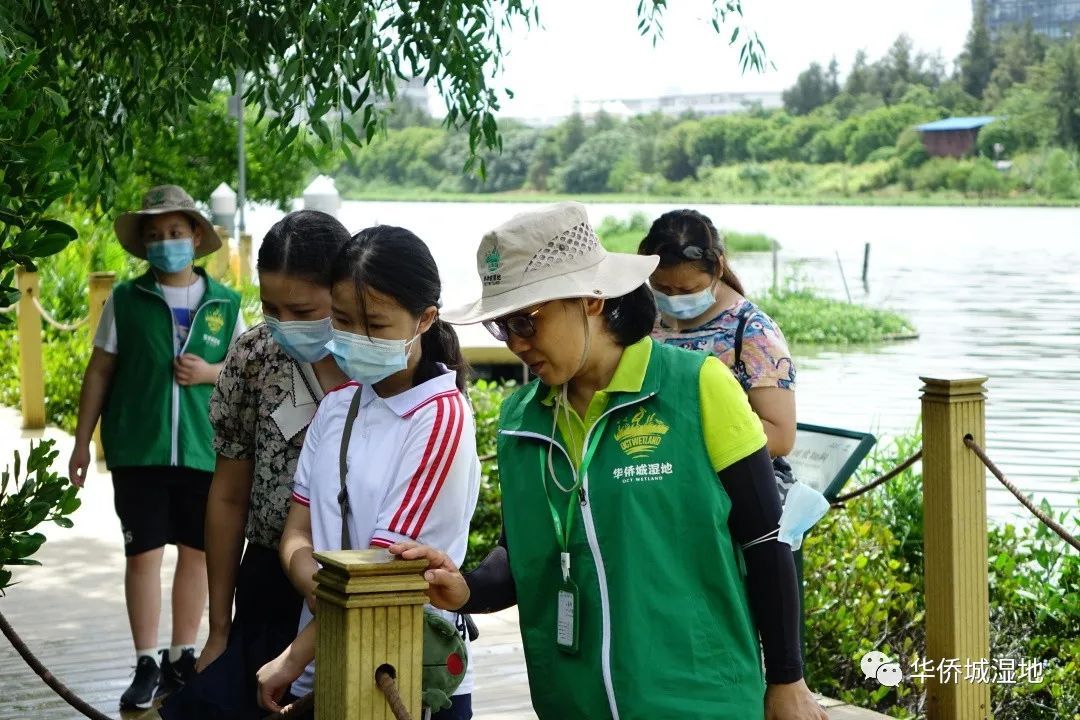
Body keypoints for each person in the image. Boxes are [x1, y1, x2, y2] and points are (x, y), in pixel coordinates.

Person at [391, 202, 827, 720]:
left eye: (526, 320)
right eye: (501, 328)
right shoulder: (519, 420)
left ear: (591, 300)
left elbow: (765, 539)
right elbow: (522, 554)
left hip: (701, 699)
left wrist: (786, 678)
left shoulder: (698, 386)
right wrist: (466, 589)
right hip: (572, 701)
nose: (516, 344)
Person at [255, 226, 480, 719]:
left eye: (375, 325)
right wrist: (318, 587)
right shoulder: (338, 405)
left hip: (405, 677)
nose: (356, 338)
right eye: (343, 320)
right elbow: (296, 530)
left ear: (425, 319)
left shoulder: (440, 416)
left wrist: (291, 658)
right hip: (326, 666)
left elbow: (385, 570)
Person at [159, 210, 352, 719]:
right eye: (271, 307)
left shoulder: (379, 359)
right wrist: (219, 629)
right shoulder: (255, 358)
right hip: (272, 578)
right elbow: (227, 496)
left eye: (303, 309)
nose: (284, 325)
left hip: (360, 579)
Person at [67, 184, 245, 711]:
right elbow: (100, 371)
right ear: (144, 246)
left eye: (175, 232)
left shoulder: (225, 305)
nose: (166, 242)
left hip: (204, 450)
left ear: (195, 236)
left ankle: (180, 655)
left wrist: (210, 372)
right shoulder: (125, 300)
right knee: (142, 555)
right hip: (138, 449)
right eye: (155, 235)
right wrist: (81, 443)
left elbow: (243, 372)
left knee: (196, 555)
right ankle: (146, 659)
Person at [639, 208, 798, 499]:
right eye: (661, 287)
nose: (673, 299)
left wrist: (684, 444)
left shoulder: (752, 332)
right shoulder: (644, 321)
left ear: (718, 268)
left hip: (728, 483)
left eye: (687, 289)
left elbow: (780, 435)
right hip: (653, 474)